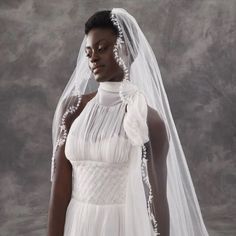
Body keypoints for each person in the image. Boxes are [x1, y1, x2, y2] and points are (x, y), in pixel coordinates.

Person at [47, 8, 209, 236]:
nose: (93, 57)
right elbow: (60, 190)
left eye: (102, 48)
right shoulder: (72, 110)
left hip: (120, 224)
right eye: (89, 51)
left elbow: (158, 199)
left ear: (128, 50)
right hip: (78, 222)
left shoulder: (147, 119)